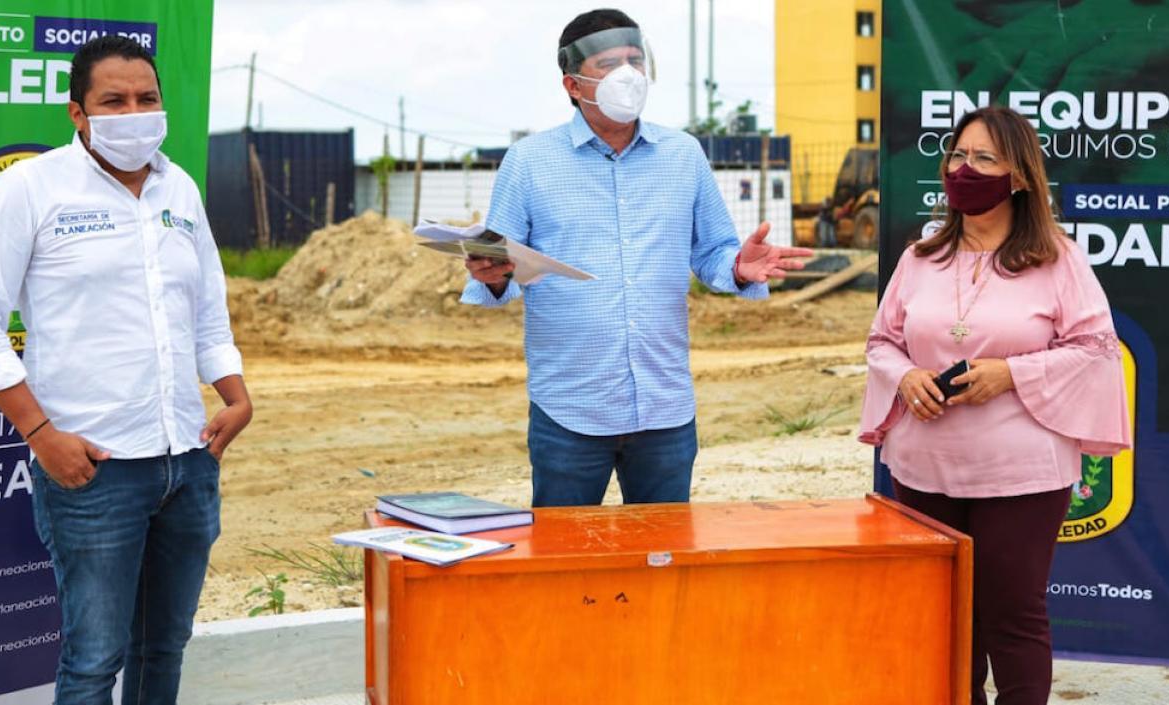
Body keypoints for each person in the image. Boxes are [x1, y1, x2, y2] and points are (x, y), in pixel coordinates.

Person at [0, 36, 251, 705]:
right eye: (113, 100)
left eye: (146, 98)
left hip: (187, 461)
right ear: (77, 113)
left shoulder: (180, 188)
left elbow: (206, 310)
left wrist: (236, 395)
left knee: (163, 647)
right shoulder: (29, 188)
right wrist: (41, 435)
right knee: (92, 661)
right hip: (95, 468)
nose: (134, 111)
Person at [463, 9, 811, 508]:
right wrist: (492, 275)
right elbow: (501, 265)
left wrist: (736, 266)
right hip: (570, 408)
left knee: (662, 561)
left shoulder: (683, 154)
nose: (629, 73)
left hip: (665, 409)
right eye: (609, 63)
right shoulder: (530, 162)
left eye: (635, 60)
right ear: (573, 83)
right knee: (565, 561)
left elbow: (712, 251)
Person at [858, 106, 1131, 705]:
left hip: (1022, 475)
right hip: (924, 469)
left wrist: (1012, 373)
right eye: (957, 155)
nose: (965, 168)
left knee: (1011, 617)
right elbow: (882, 343)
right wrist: (905, 379)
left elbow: (1095, 349)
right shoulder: (919, 257)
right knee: (946, 621)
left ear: (1020, 177)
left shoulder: (1058, 258)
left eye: (984, 158)